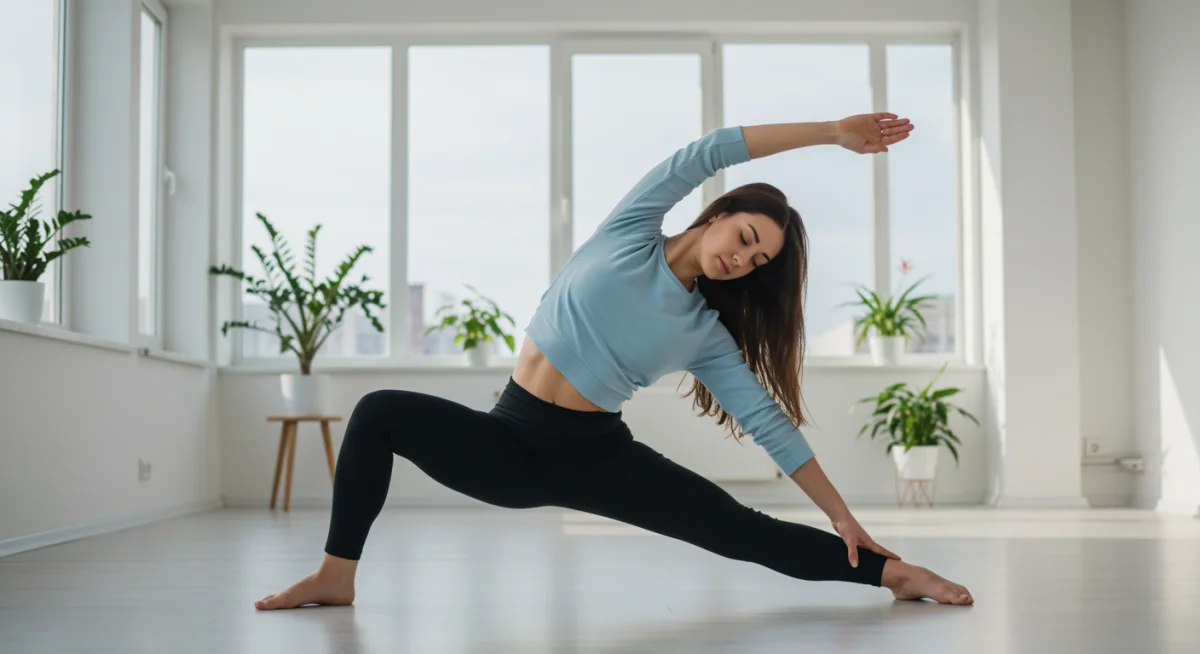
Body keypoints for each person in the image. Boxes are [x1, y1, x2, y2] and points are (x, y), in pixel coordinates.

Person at [254, 114, 974, 611]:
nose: (742, 258)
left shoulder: (703, 332)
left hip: (592, 455)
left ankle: (894, 575)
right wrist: (830, 134)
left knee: (734, 529)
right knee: (379, 412)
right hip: (506, 443)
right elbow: (710, 148)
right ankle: (335, 575)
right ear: (718, 214)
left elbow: (769, 424)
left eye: (757, 261)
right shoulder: (630, 228)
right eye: (747, 235)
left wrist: (844, 517)